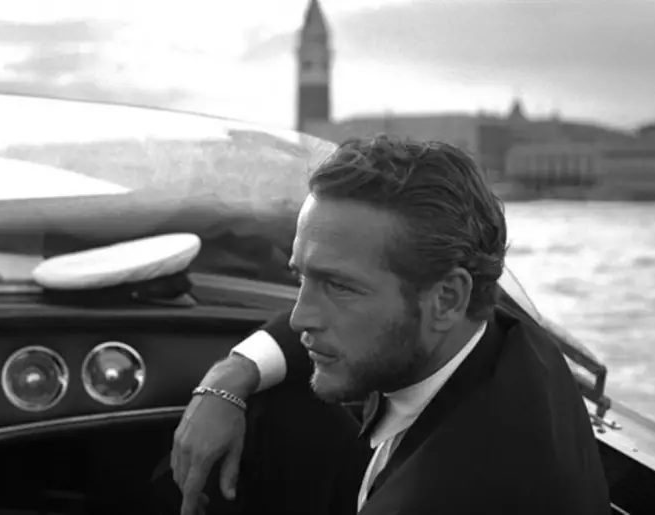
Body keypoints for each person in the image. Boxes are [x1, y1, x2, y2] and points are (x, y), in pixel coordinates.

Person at [162, 136, 611, 515]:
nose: (299, 315)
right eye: (302, 277)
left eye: (339, 286)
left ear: (446, 298)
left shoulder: (450, 494)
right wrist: (231, 376)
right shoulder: (506, 335)